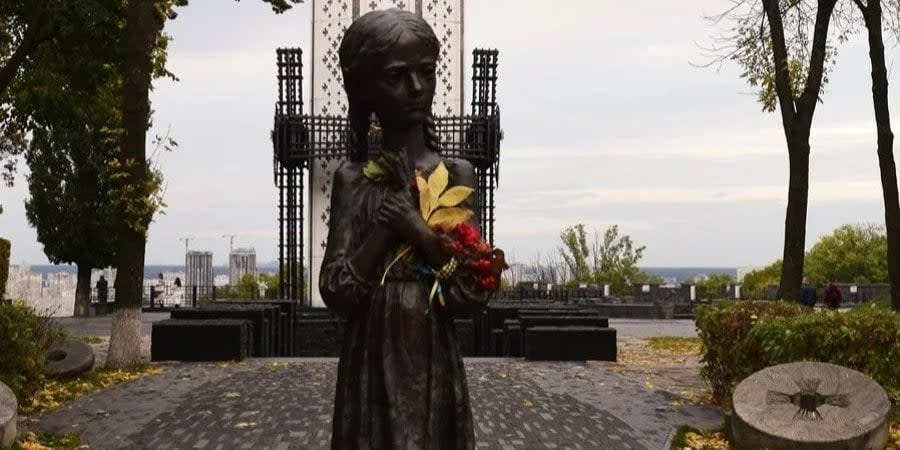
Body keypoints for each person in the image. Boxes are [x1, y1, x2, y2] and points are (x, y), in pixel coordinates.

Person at [319, 9, 490, 449]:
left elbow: (472, 291)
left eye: (426, 73)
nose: (417, 88)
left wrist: (417, 229)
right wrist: (383, 229)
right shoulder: (352, 181)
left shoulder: (456, 174)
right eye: (397, 76)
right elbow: (336, 289)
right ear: (366, 89)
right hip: (372, 355)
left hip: (431, 346)